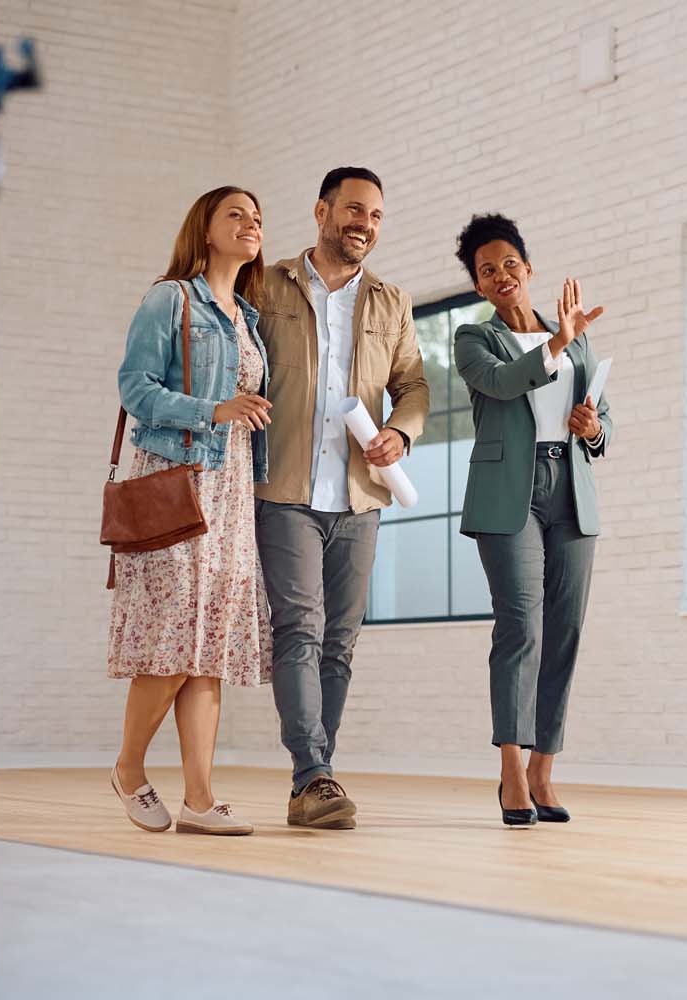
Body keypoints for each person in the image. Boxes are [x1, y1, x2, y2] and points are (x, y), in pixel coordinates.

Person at [255, 167, 430, 829]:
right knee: (297, 629)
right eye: (355, 210)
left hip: (359, 498)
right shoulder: (267, 284)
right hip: (286, 489)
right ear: (322, 210)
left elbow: (414, 385)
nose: (365, 224)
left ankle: (312, 783)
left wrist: (398, 432)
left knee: (340, 642)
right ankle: (314, 773)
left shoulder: (392, 302)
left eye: (377, 216)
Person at [106, 186, 275, 836]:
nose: (250, 224)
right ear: (204, 228)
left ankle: (200, 801)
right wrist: (213, 411)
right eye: (236, 213)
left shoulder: (247, 318)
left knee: (207, 650)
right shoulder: (170, 298)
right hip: (176, 482)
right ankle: (127, 768)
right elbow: (134, 387)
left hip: (230, 494)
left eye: (257, 217)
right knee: (172, 641)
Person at [451, 213, 612, 826]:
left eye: (509, 265)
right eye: (486, 271)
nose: (500, 276)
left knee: (564, 633)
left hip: (571, 489)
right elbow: (503, 383)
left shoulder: (574, 337)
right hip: (506, 495)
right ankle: (511, 770)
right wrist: (555, 344)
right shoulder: (474, 338)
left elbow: (604, 416)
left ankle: (545, 768)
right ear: (479, 284)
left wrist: (593, 428)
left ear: (528, 268)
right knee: (522, 628)